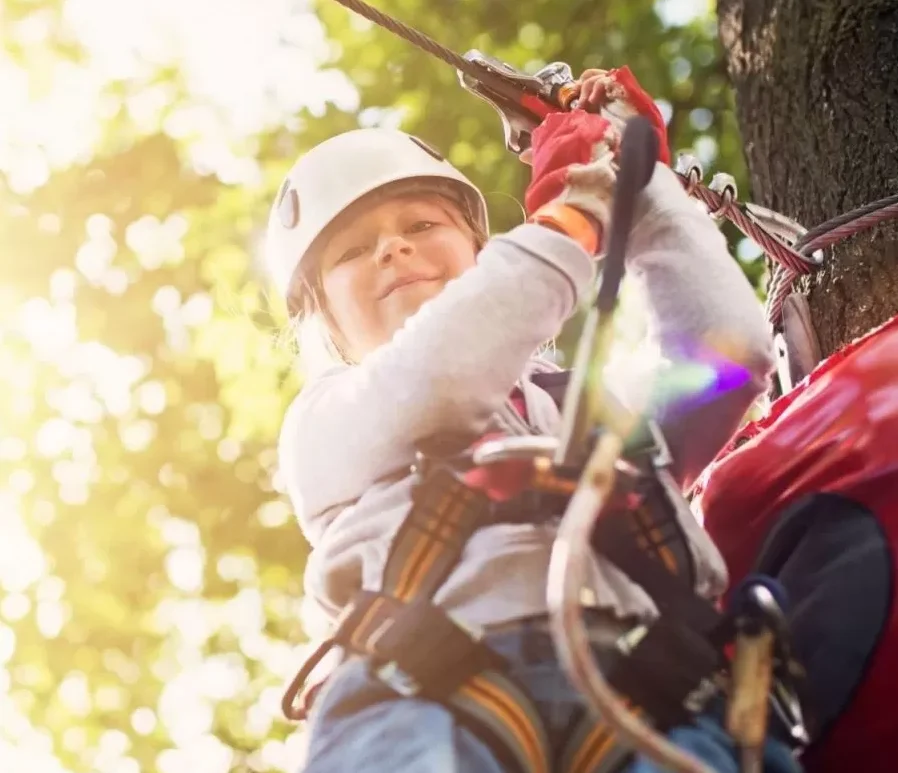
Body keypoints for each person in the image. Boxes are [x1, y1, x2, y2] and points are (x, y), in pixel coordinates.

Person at [266, 65, 799, 772]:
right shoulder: (329, 424)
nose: (393, 248)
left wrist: (637, 182)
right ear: (326, 319)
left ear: (484, 255)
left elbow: (729, 353)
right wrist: (574, 219)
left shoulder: (585, 409)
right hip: (416, 690)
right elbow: (441, 377)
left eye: (422, 224)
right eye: (355, 250)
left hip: (652, 683)